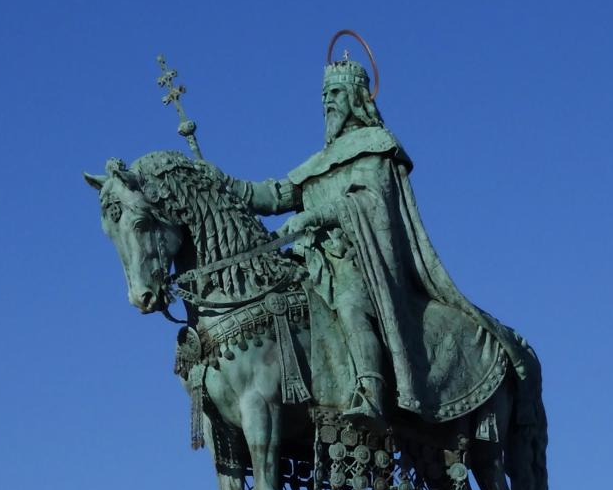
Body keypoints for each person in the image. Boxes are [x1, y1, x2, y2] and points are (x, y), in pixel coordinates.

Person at [222, 55, 525, 423]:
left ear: (355, 96)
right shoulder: (319, 161)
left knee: (351, 306)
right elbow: (273, 195)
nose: (327, 102)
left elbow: (371, 203)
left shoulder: (376, 145)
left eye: (334, 92)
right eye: (323, 96)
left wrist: (316, 215)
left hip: (362, 263)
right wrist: (222, 184)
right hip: (316, 264)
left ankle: (371, 392)